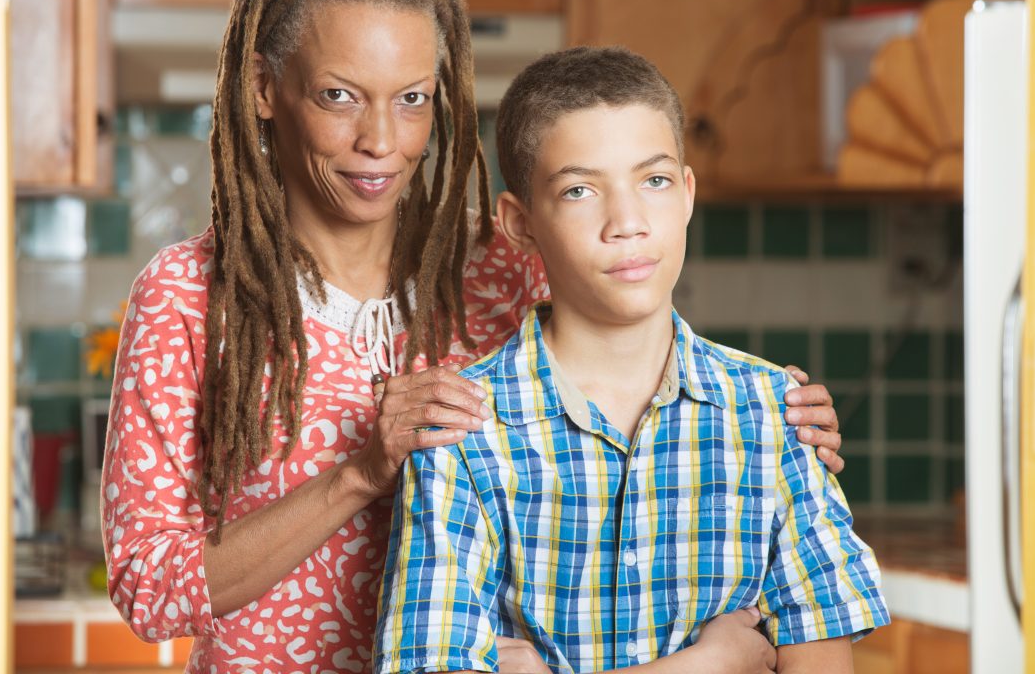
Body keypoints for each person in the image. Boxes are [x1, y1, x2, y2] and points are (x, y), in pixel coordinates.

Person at [101, 0, 847, 673]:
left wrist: (768, 416)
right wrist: (358, 475)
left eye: (414, 99)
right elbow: (149, 590)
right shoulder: (188, 298)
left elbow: (634, 401)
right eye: (338, 96)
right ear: (265, 89)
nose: (382, 140)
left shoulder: (500, 266)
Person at [373, 47, 889, 674]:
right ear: (520, 222)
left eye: (655, 181)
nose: (628, 222)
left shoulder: (776, 416)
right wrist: (708, 665)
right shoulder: (461, 432)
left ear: (689, 192)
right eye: (580, 190)